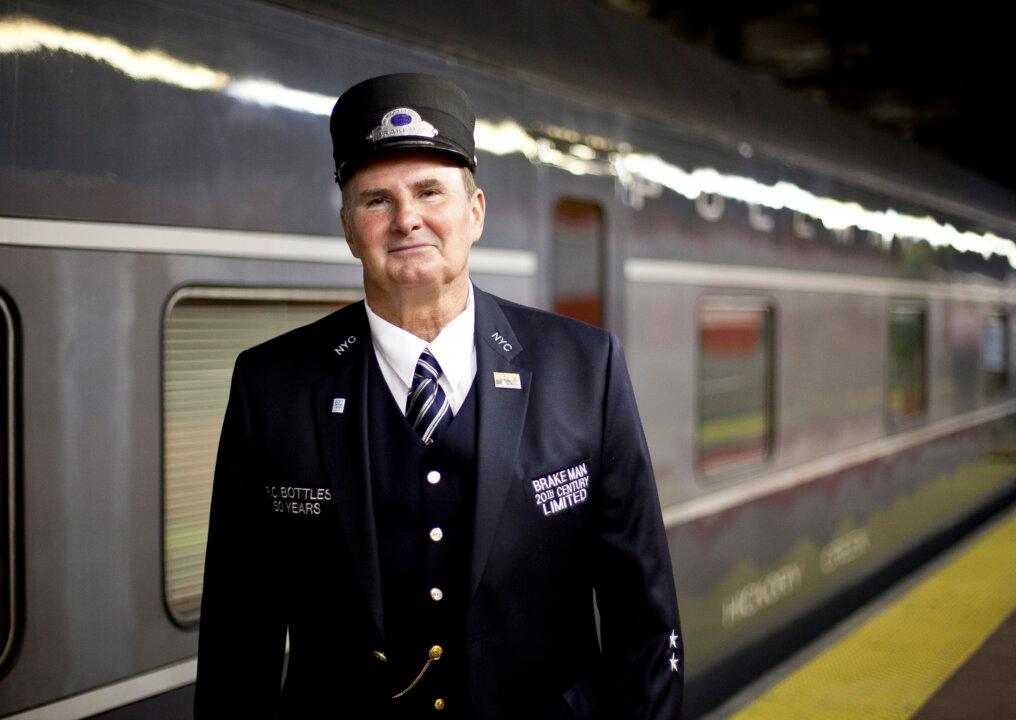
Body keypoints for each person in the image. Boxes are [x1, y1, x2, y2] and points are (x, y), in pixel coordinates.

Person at [194, 72, 683, 720]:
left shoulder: (585, 371)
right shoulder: (271, 387)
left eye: (430, 192)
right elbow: (238, 641)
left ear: (475, 212)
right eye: (376, 201)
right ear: (348, 228)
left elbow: (644, 624)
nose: (407, 220)